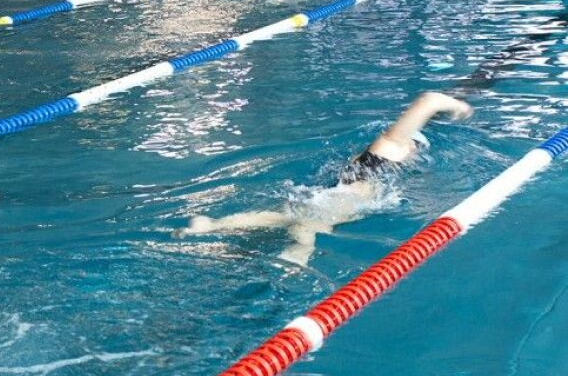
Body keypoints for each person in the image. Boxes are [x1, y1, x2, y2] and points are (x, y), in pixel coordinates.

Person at [180, 92, 473, 266]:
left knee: (280, 217)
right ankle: (295, 256)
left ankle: (211, 225)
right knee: (309, 231)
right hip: (334, 205)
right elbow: (426, 101)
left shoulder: (369, 163)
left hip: (322, 196)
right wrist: (454, 105)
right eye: (416, 148)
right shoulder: (390, 147)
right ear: (410, 144)